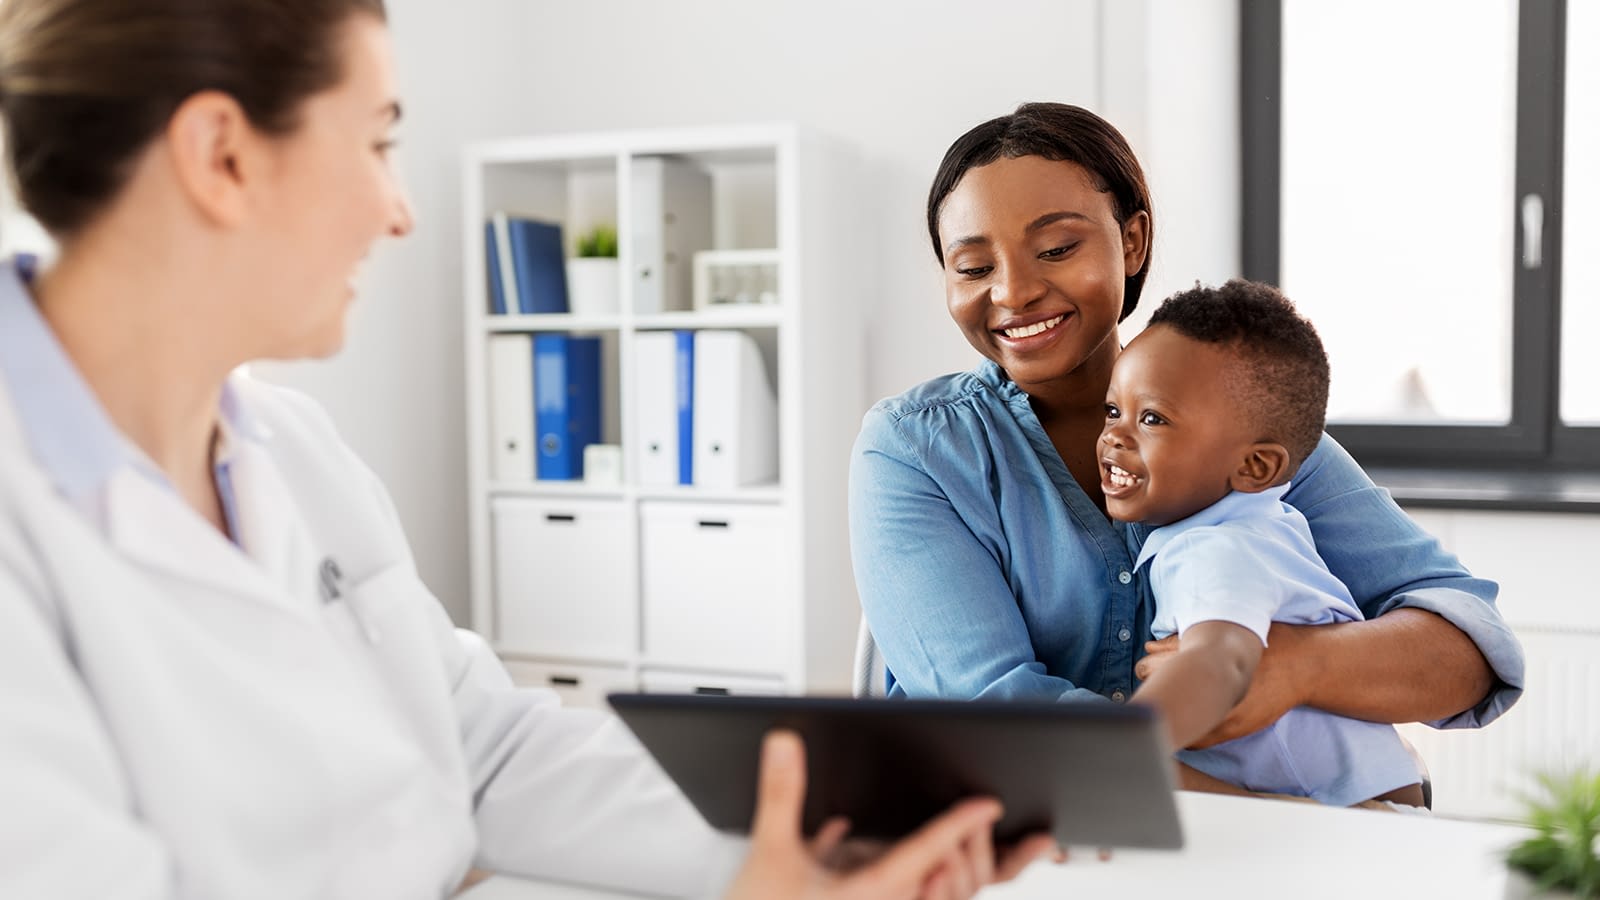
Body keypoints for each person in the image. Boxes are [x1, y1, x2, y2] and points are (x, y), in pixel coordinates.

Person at [0, 2, 1054, 897]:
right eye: (376, 141)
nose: (401, 210)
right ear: (221, 157)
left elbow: (487, 747)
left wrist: (816, 845)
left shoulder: (288, 449)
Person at [849, 102, 1524, 770]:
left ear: (1133, 240)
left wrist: (1293, 666)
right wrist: (1255, 799)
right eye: (972, 268)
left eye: (1056, 249)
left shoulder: (1240, 417)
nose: (1014, 291)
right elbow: (996, 723)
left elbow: (1467, 651)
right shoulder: (916, 449)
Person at [1104, 280, 1423, 807]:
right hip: (1351, 797)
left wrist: (1128, 742)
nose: (1115, 435)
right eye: (1113, 411)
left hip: (1356, 816)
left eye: (1153, 418)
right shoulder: (1254, 526)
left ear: (1255, 467)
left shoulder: (1221, 548)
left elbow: (1221, 661)